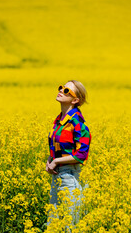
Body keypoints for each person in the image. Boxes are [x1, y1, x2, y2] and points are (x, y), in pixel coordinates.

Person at [46, 80, 91, 227]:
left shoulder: (78, 123)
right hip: (56, 176)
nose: (61, 91)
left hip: (69, 176)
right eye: (61, 87)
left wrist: (56, 162)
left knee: (69, 225)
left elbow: (81, 155)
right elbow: (56, 148)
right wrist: (50, 160)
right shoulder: (59, 121)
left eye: (66, 91)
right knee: (53, 223)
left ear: (75, 100)